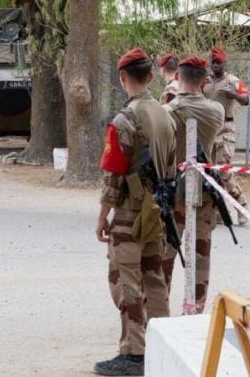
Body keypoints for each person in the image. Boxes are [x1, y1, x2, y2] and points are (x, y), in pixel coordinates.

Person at [94, 47, 176, 376]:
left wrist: (103, 216)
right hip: (158, 208)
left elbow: (113, 174)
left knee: (125, 279)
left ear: (123, 78)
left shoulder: (124, 119)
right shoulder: (165, 114)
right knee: (155, 277)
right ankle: (161, 346)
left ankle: (134, 354)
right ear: (152, 76)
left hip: (131, 209)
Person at [161, 56, 225, 313]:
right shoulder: (216, 111)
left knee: (165, 249)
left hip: (173, 186)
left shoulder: (167, 111)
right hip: (204, 186)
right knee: (200, 251)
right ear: (204, 80)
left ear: (177, 76)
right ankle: (195, 307)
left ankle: (158, 306)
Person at [202, 45, 250, 225]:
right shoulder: (205, 82)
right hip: (208, 130)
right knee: (210, 172)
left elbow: (246, 100)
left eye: (219, 63)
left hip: (226, 128)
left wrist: (234, 94)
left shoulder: (233, 81)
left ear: (224, 63)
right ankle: (218, 211)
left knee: (223, 169)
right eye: (213, 63)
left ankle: (241, 205)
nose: (215, 66)